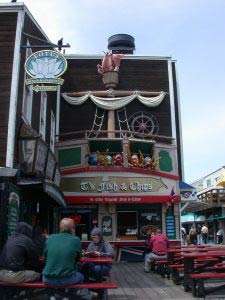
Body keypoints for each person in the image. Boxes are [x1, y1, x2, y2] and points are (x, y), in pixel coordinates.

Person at [42, 218, 84, 286]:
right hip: (66, 279)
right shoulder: (76, 240)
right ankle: (73, 296)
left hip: (47, 279)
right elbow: (78, 259)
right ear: (72, 229)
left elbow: (45, 259)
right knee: (81, 276)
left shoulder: (50, 238)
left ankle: (52, 296)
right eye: (74, 227)